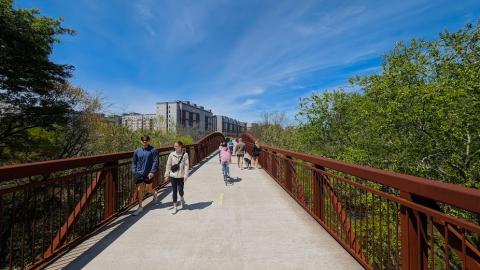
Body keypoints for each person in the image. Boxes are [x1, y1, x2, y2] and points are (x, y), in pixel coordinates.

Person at [131, 135, 159, 216]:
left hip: (149, 173)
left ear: (149, 141)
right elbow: (134, 162)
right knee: (139, 189)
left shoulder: (153, 150)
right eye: (143, 140)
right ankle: (140, 207)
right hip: (139, 173)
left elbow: (155, 161)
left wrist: (152, 172)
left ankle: (154, 193)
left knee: (148, 190)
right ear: (141, 141)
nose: (145, 142)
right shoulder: (137, 151)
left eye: (146, 140)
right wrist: (134, 171)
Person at [164, 141, 189, 214]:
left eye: (176, 146)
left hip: (181, 176)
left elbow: (186, 165)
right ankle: (175, 207)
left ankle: (181, 197)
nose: (175, 147)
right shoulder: (172, 154)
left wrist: (186, 175)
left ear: (181, 146)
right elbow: (168, 165)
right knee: (174, 191)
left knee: (181, 190)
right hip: (173, 175)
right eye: (174, 146)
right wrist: (166, 175)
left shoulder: (185, 154)